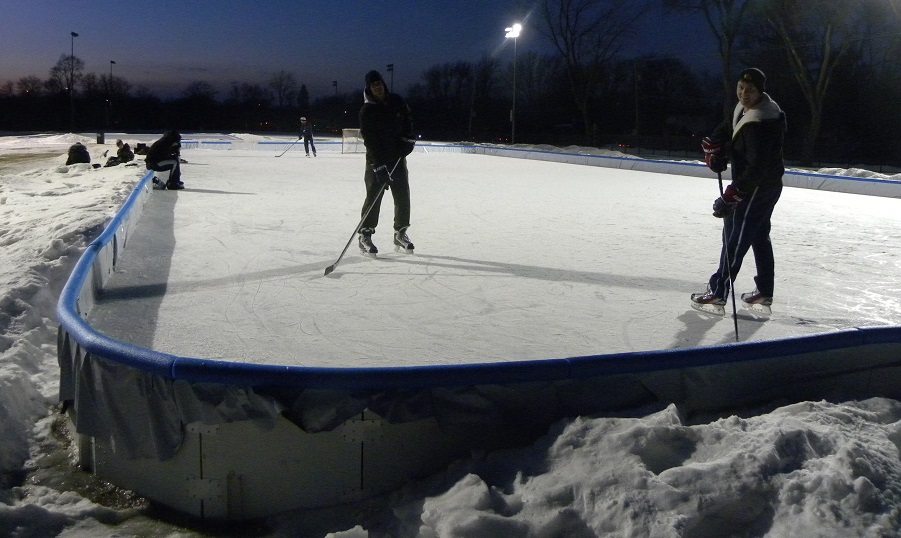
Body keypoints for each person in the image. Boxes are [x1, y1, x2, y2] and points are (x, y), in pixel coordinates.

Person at [691, 67, 787, 314]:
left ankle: (718, 292)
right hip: (760, 185)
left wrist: (732, 194)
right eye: (740, 88)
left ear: (760, 92)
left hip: (758, 187)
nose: (744, 93)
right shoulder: (744, 110)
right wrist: (713, 148)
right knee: (758, 236)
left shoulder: (762, 121)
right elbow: (725, 130)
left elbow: (757, 166)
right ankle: (764, 291)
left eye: (750, 90)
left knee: (735, 238)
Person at [357, 69, 416, 256]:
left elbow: (408, 121)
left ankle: (401, 232)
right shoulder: (366, 111)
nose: (378, 88)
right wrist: (378, 166)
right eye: (374, 85)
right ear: (369, 88)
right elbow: (370, 141)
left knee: (402, 195)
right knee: (374, 197)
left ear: (384, 84)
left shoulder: (396, 101)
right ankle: (365, 235)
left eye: (380, 84)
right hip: (377, 160)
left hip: (397, 157)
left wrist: (408, 139)